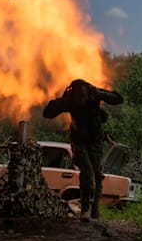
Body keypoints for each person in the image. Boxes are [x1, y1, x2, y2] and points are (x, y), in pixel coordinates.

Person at [43, 79, 124, 221]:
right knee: (86, 171)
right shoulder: (70, 100)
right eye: (77, 96)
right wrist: (62, 100)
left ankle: (94, 209)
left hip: (96, 140)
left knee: (97, 174)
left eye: (83, 96)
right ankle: (85, 208)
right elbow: (48, 113)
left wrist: (99, 93)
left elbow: (118, 99)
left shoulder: (94, 95)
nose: (81, 99)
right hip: (79, 140)